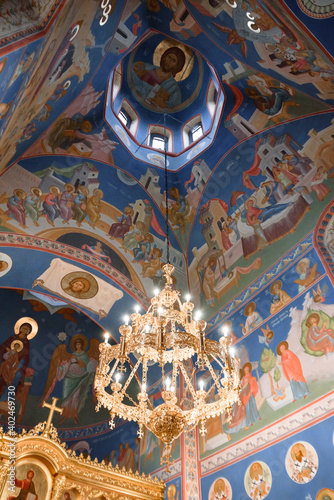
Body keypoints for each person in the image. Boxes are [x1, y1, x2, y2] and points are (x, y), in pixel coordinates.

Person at [42, 336, 97, 424]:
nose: (78, 346)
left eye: (79, 344)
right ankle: (64, 413)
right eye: (77, 344)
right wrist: (61, 366)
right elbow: (67, 364)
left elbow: (86, 367)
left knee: (75, 397)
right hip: (68, 378)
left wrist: (78, 362)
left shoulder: (84, 355)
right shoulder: (72, 354)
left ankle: (73, 414)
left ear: (82, 345)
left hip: (79, 378)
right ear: (75, 346)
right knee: (66, 396)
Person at [0, 322, 33, 399]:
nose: (24, 330)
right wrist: (7, 349)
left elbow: (25, 356)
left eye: (26, 330)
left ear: (28, 332)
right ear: (20, 329)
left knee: (15, 376)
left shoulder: (26, 342)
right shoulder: (13, 337)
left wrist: (18, 365)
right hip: (7, 361)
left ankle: (6, 397)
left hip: (16, 364)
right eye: (23, 328)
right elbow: (3, 346)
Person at [240, 363, 261, 429]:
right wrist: (248, 382)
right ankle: (249, 422)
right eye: (245, 370)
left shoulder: (250, 375)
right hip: (246, 395)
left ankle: (256, 417)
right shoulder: (244, 378)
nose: (246, 371)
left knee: (253, 405)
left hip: (250, 393)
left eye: (247, 370)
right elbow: (244, 386)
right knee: (248, 408)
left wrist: (253, 379)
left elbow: (252, 382)